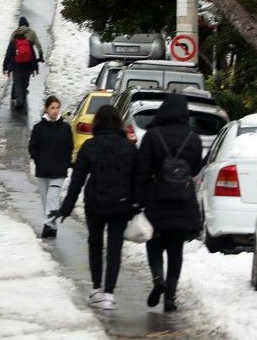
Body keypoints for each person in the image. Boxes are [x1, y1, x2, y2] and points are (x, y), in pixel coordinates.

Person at [52, 105, 138, 311]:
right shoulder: (129, 147)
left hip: (96, 203)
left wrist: (66, 207)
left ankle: (96, 289)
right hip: (121, 203)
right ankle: (109, 293)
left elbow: (77, 180)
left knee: (96, 244)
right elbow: (137, 179)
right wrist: (136, 205)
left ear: (97, 123)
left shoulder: (90, 146)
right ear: (118, 123)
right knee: (115, 248)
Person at [133, 93, 203, 312]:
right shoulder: (193, 138)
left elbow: (141, 170)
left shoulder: (152, 136)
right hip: (182, 201)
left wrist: (138, 200)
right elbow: (196, 169)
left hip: (156, 199)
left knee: (154, 242)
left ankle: (158, 280)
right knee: (176, 249)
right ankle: (170, 296)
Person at [28, 95, 73, 238]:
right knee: (45, 200)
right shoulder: (38, 128)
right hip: (43, 170)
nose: (55, 110)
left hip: (59, 171)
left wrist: (65, 163)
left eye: (57, 108)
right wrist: (38, 160)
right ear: (46, 109)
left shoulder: (65, 128)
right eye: (52, 108)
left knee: (53, 198)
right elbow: (32, 148)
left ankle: (48, 224)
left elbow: (69, 148)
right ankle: (52, 226)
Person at [2, 18, 43, 110]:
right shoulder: (29, 40)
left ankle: (18, 100)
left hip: (16, 66)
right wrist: (36, 67)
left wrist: (5, 66)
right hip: (27, 66)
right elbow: (33, 54)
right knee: (24, 83)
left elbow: (8, 54)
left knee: (17, 83)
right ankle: (21, 97)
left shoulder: (13, 38)